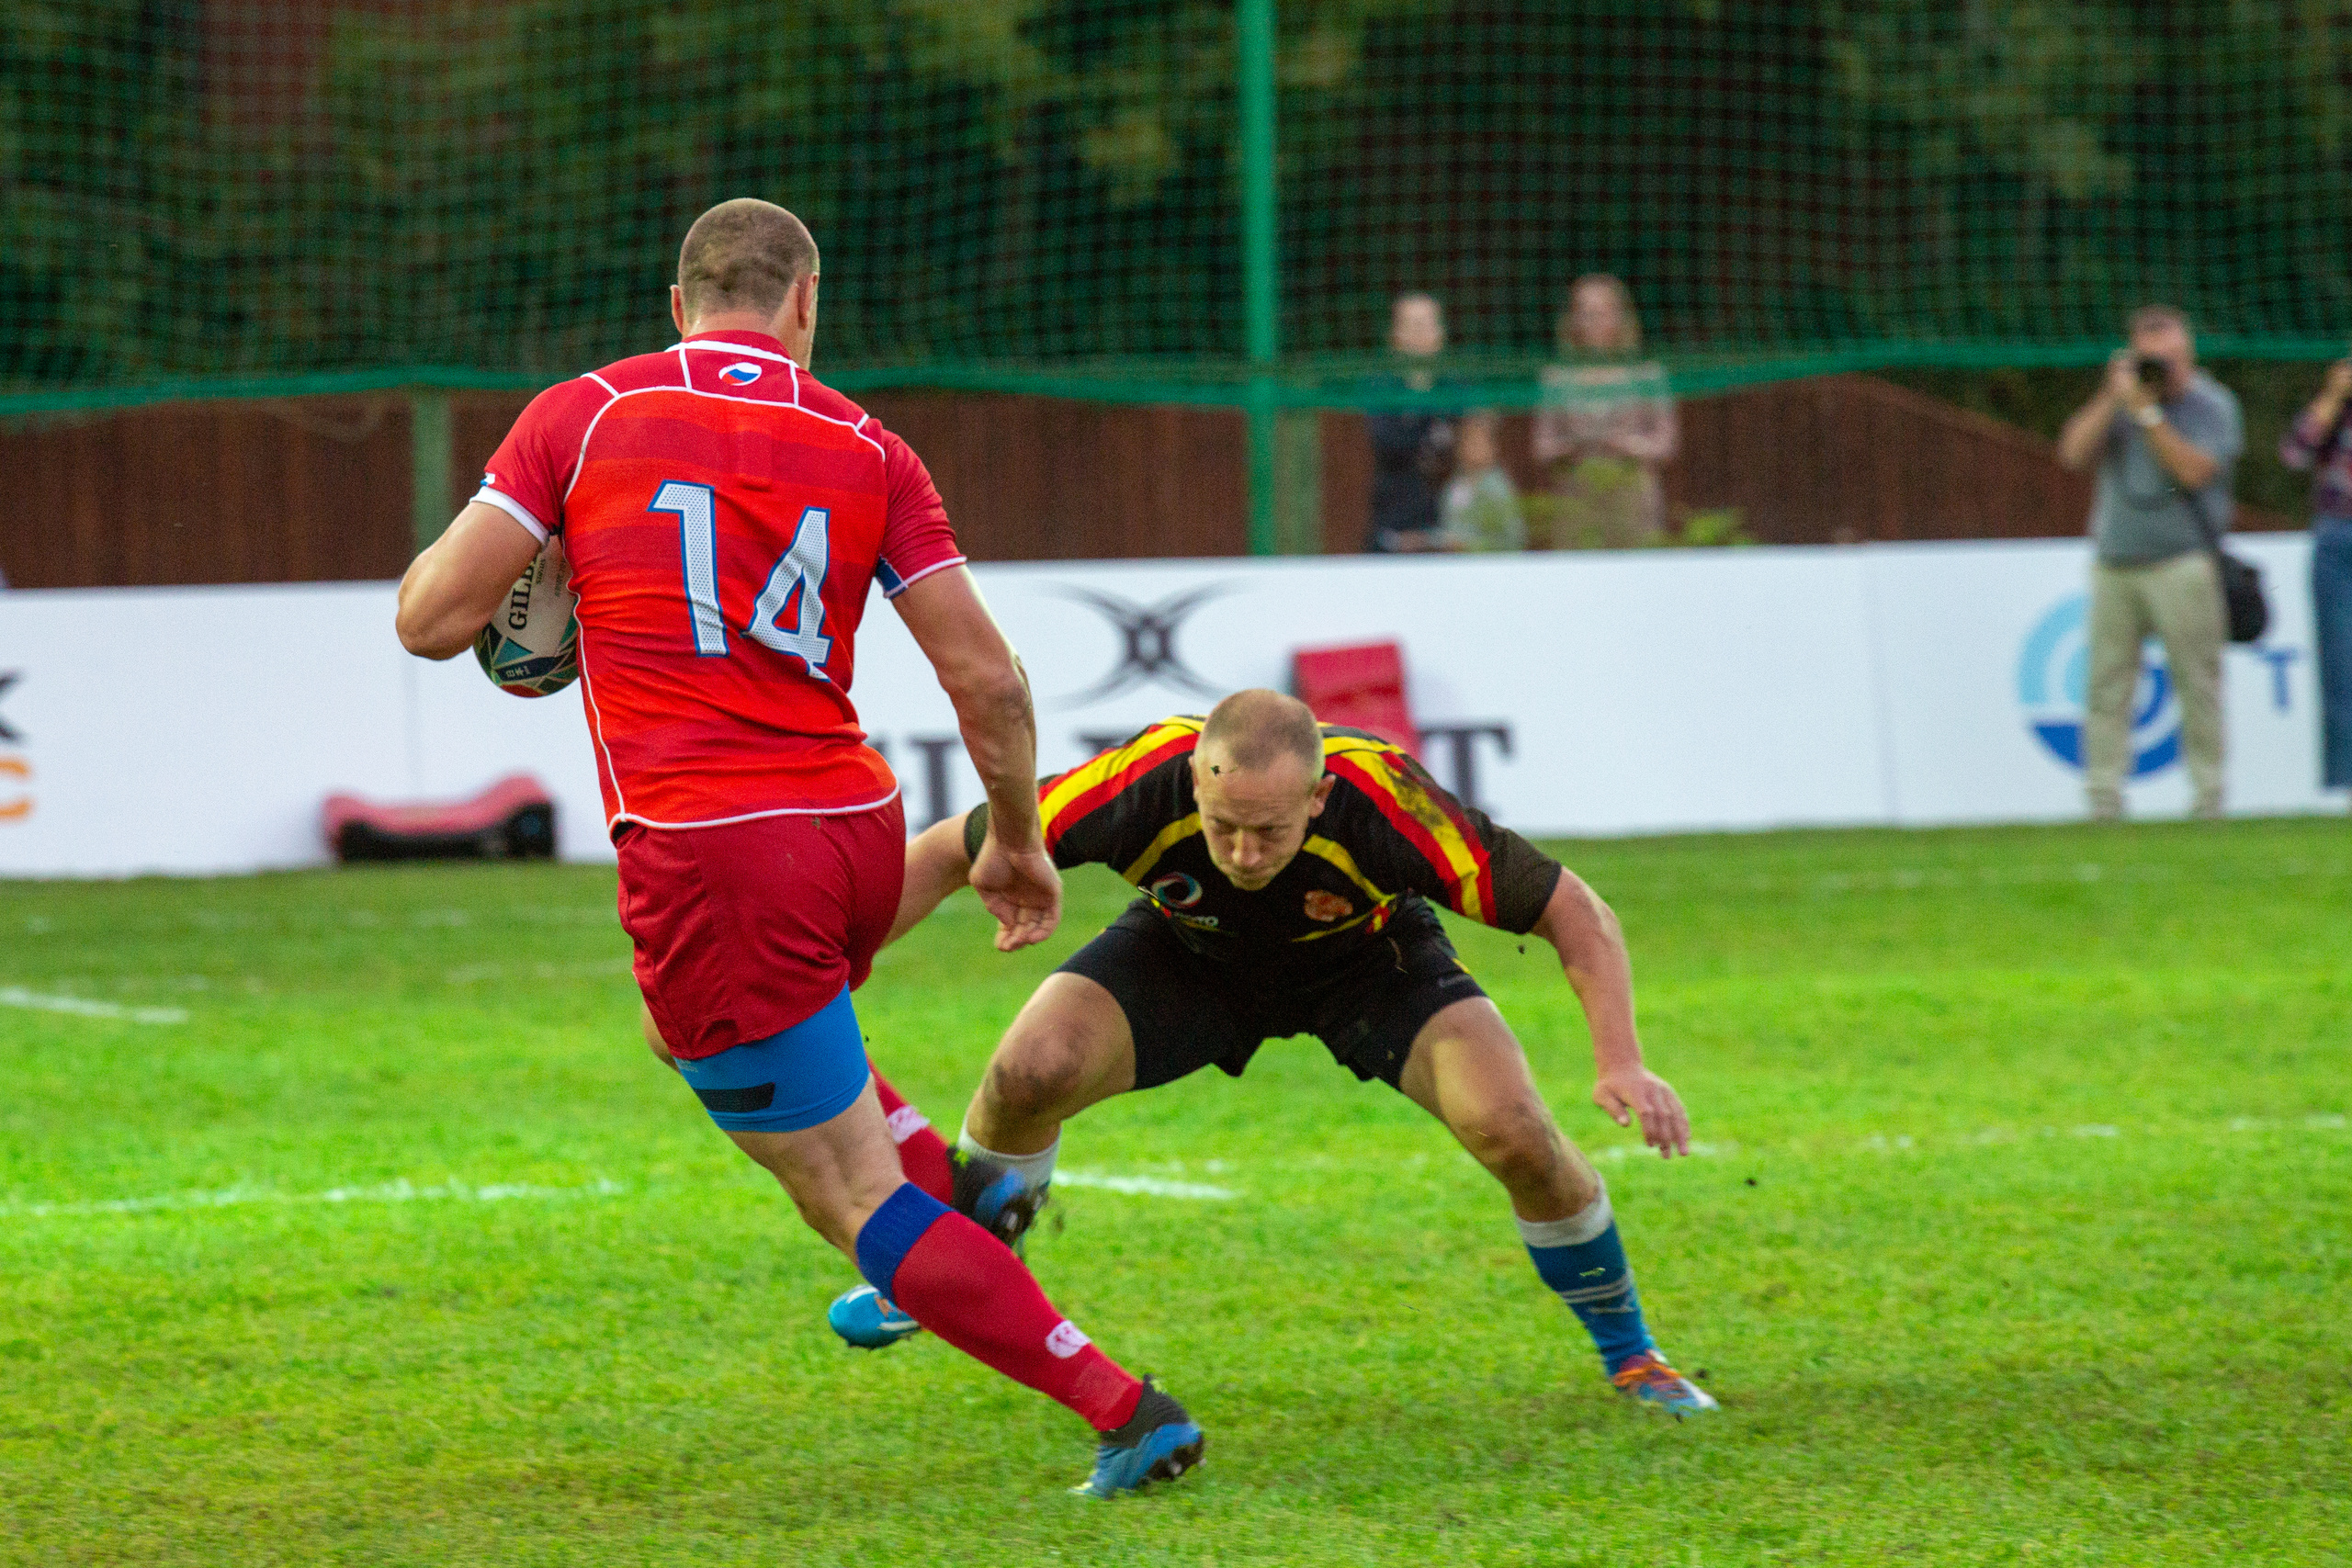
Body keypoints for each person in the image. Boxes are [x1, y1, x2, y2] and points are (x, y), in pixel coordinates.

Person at [391, 197, 1204, 1498]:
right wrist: (1014, 837)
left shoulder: (581, 414)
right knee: (693, 1034)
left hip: (712, 848)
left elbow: (432, 621)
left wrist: (553, 566)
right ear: (805, 304)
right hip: (851, 827)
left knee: (846, 1191)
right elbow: (988, 679)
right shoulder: (871, 446)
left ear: (678, 302)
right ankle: (962, 1202)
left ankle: (1123, 1405)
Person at [874, 692, 1719, 1417]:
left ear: (1319, 797)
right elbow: (954, 848)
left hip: (1367, 964)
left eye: (1269, 829)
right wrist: (834, 968)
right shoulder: (1139, 780)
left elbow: (1575, 911)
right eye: (1222, 827)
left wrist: (1621, 1060)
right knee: (1027, 1071)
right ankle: (964, 1266)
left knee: (1515, 1131)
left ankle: (1634, 1353)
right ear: (1195, 782)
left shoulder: (1389, 799)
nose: (1243, 853)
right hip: (1188, 952)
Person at [2057, 305, 2244, 820]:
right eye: (2149, 358)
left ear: (2189, 354)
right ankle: (2102, 801)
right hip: (2115, 563)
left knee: (2197, 685)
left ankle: (2209, 800)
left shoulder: (2212, 406)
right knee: (2106, 688)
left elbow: (2193, 472)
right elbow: (2072, 453)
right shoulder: (2121, 401)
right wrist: (2111, 396)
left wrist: (2149, 414)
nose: (2161, 369)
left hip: (2182, 564)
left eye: (2170, 358)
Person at [1532, 275, 1679, 548]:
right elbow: (1543, 446)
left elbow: (1666, 445)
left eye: (1602, 312)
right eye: (1585, 313)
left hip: (1633, 499)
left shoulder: (1647, 375)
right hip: (1576, 500)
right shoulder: (1556, 377)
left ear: (1621, 316)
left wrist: (1625, 446)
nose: (1594, 321)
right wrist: (1574, 449)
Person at [2278, 352, 2352, 805]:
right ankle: (2343, 787)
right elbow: (2294, 453)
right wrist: (2331, 398)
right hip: (2337, 537)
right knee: (2340, 667)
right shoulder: (2336, 408)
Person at [1363, 292, 1457, 553]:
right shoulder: (1381, 388)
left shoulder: (1458, 388)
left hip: (1447, 526)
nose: (1421, 333)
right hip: (1392, 522)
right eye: (1412, 325)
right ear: (1396, 336)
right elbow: (1389, 443)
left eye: (1427, 323)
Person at [1437, 411, 1527, 552]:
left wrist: (1469, 545)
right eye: (1465, 440)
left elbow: (1512, 539)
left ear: (1493, 447)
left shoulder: (1497, 489)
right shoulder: (1456, 483)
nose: (1469, 448)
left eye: (1477, 442)